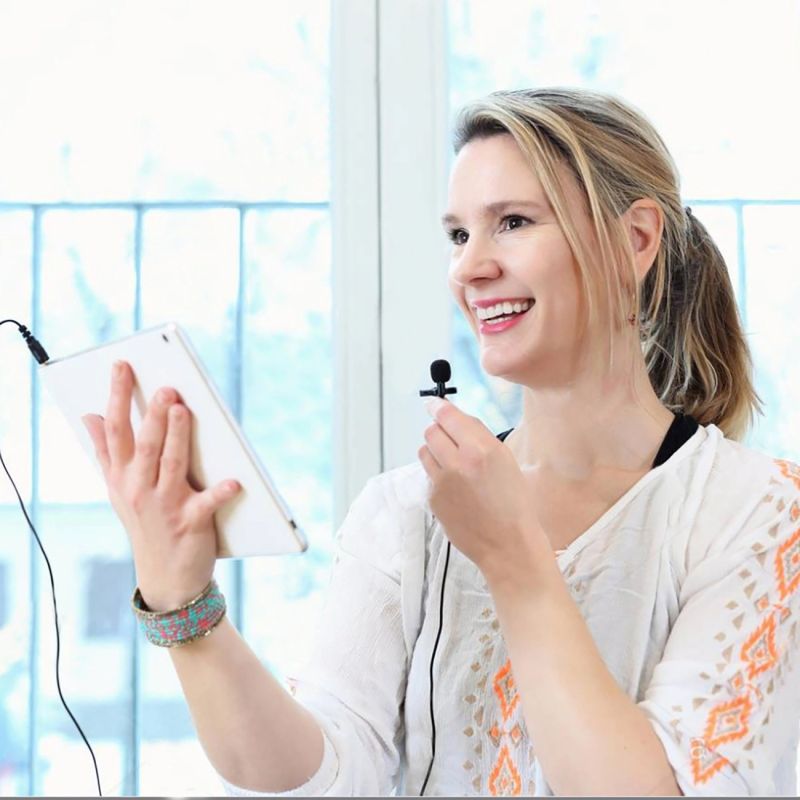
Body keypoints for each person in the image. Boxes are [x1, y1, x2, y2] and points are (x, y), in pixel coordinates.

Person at [81, 87, 800, 796]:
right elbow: (331, 772)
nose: (469, 268)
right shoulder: (403, 511)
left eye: (513, 222)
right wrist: (185, 605)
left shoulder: (758, 511)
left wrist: (513, 558)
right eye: (458, 235)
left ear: (634, 240)